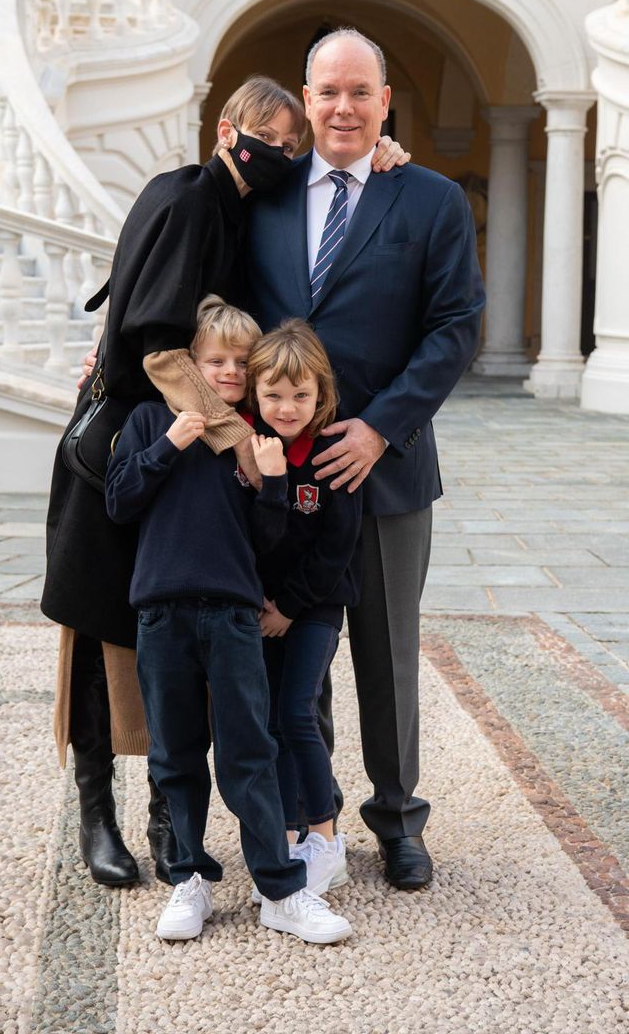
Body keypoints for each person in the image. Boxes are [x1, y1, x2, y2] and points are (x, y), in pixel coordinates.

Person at [42, 74, 408, 889]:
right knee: (102, 634)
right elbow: (160, 348)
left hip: (192, 466)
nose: (276, 154)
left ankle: (173, 817)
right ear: (223, 129)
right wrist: (241, 440)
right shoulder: (183, 199)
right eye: (264, 139)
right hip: (137, 449)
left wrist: (383, 156)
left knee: (177, 639)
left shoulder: (241, 209)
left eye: (290, 144)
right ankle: (96, 815)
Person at [244, 28, 486, 891]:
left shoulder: (427, 200)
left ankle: (397, 819)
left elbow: (456, 325)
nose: (342, 107)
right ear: (305, 102)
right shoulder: (261, 199)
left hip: (386, 472)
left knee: (387, 656)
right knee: (292, 649)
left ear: (386, 102)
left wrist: (381, 426)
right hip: (280, 477)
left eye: (359, 92)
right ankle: (315, 820)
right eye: (327, 92)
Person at [105, 297, 352, 945]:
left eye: (241, 362)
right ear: (192, 360)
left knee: (250, 752)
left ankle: (280, 889)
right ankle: (190, 878)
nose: (227, 371)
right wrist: (167, 445)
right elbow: (119, 501)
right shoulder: (149, 420)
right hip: (161, 610)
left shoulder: (252, 444)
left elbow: (269, 544)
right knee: (176, 753)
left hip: (235, 615)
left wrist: (271, 483)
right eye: (214, 359)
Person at [245, 319, 362, 899]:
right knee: (269, 720)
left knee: (298, 713)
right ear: (254, 392)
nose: (286, 407)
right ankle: (290, 832)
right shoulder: (250, 450)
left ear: (322, 395)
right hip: (262, 609)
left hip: (314, 606)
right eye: (273, 395)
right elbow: (257, 540)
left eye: (300, 395)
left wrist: (290, 606)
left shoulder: (329, 454)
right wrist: (268, 482)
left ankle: (326, 836)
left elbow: (338, 546)